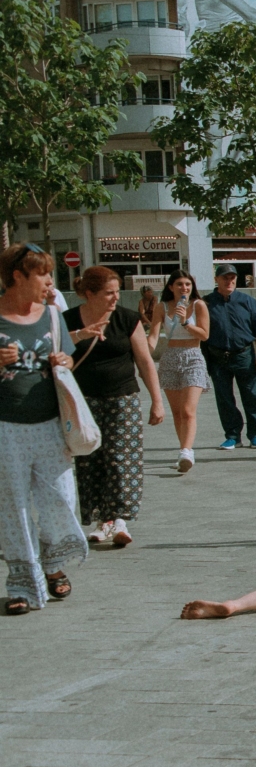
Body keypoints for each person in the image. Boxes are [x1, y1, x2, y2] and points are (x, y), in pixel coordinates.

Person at [0, 245, 85, 613]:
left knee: (60, 498)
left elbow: (67, 359)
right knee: (13, 505)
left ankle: (53, 565)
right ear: (18, 276)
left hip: (50, 424)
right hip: (6, 427)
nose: (50, 282)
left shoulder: (52, 315)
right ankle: (21, 585)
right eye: (42, 275)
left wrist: (64, 360)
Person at [63, 266, 164, 547]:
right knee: (91, 460)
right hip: (83, 401)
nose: (115, 297)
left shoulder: (127, 319)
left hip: (123, 398)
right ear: (89, 293)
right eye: (109, 293)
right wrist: (80, 334)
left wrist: (157, 401)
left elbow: (145, 361)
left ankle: (119, 519)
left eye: (117, 291)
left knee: (122, 457)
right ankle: (102, 521)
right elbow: (57, 355)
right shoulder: (68, 320)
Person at [201, 263, 256, 449]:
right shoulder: (206, 303)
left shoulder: (248, 302)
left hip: (244, 355)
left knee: (253, 396)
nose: (229, 281)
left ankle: (255, 434)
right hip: (217, 357)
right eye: (225, 278)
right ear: (216, 279)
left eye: (232, 278)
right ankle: (232, 436)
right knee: (224, 398)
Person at [152, 271, 210, 474]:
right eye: (179, 284)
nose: (184, 288)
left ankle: (187, 451)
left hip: (193, 356)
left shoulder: (198, 305)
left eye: (188, 284)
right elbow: (153, 335)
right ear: (171, 287)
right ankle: (183, 451)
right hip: (170, 358)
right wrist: (142, 353)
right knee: (177, 413)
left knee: (187, 410)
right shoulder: (161, 307)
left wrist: (186, 321)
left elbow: (204, 335)